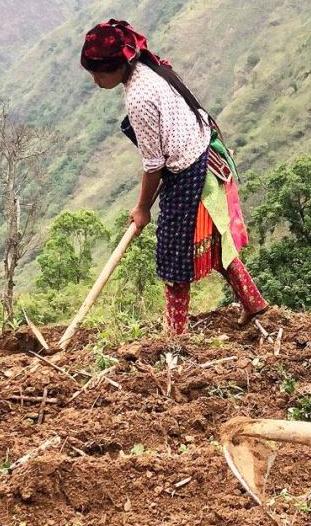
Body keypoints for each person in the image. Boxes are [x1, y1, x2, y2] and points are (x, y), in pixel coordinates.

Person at [80, 19, 266, 335]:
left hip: (190, 169)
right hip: (204, 152)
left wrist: (142, 209)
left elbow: (153, 164)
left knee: (173, 258)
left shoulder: (139, 96)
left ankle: (174, 334)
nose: (96, 80)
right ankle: (253, 302)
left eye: (99, 73)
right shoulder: (149, 67)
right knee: (216, 241)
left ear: (117, 66)